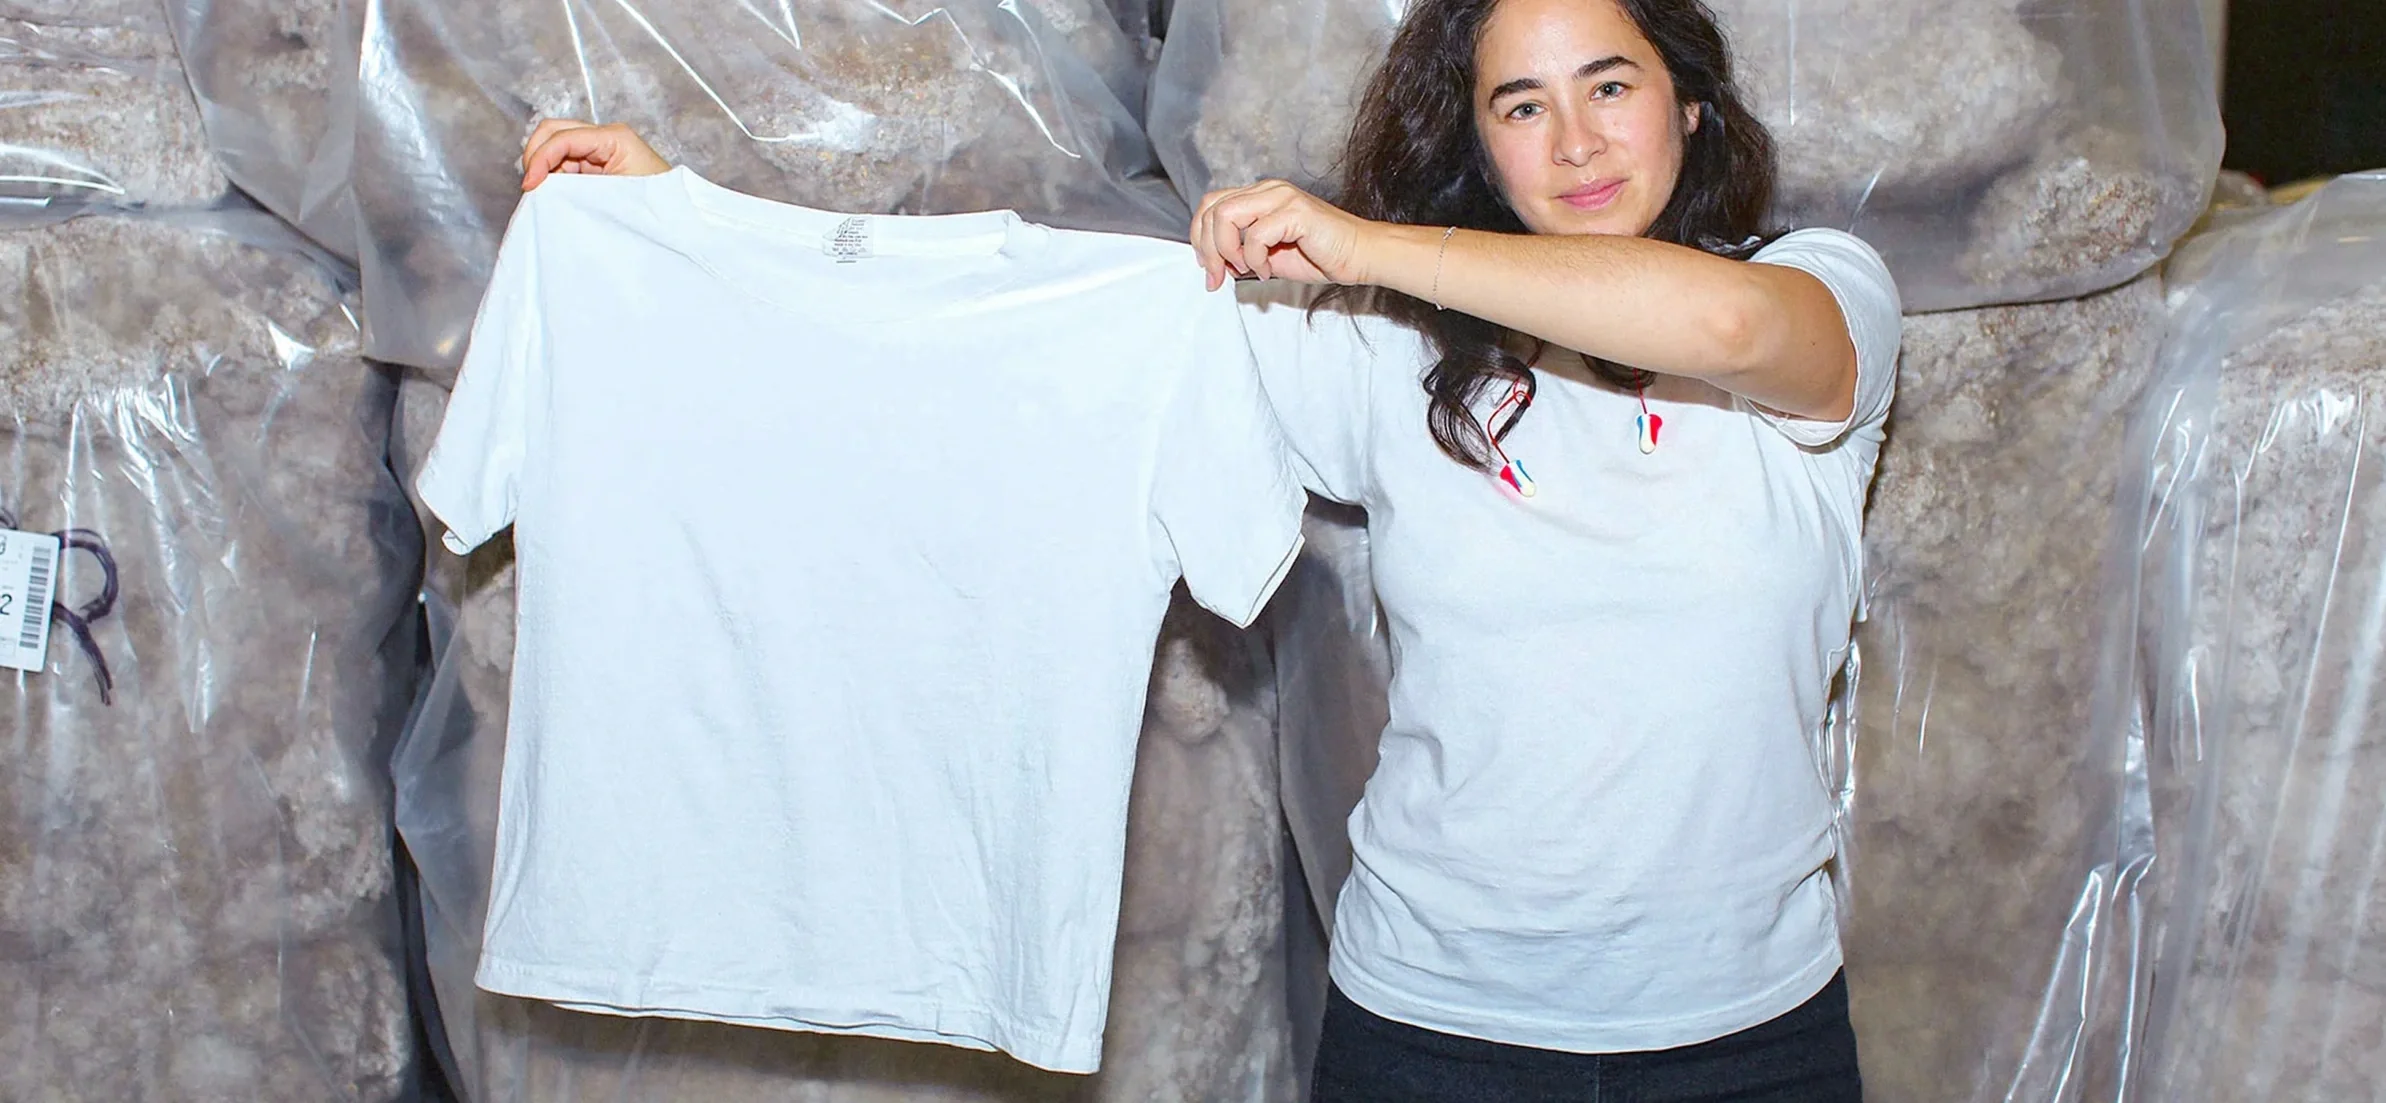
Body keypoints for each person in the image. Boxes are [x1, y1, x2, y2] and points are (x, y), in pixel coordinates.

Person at [515, 0, 1897, 1096]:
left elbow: (1721, 333)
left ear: (1689, 103)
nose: (1577, 142)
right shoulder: (1382, 351)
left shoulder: (1823, 289)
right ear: (1479, 149)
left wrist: (1371, 243)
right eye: (1519, 106)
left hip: (1750, 1033)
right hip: (1437, 1030)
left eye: (1610, 84)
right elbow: (1014, 339)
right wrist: (684, 229)